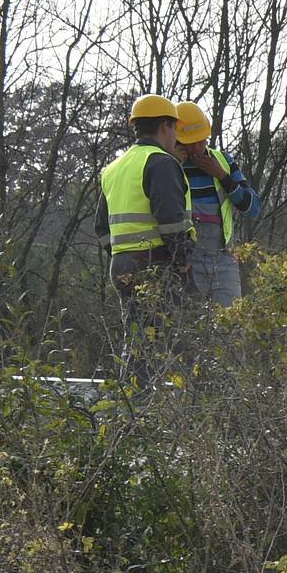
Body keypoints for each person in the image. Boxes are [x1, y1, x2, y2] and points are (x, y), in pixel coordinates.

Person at [96, 93, 193, 377]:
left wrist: (120, 257)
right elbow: (171, 220)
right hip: (154, 264)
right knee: (162, 342)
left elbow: (101, 228)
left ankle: (131, 406)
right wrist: (182, 260)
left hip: (122, 265)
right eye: (174, 127)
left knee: (137, 341)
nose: (176, 135)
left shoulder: (114, 168)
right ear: (165, 126)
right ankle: (149, 412)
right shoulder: (161, 162)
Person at [175, 103, 258, 307]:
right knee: (189, 328)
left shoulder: (223, 161)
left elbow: (253, 208)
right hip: (186, 262)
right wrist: (173, 164)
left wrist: (221, 175)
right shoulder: (167, 165)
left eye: (200, 141)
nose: (196, 148)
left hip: (223, 260)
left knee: (230, 327)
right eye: (190, 143)